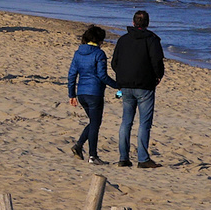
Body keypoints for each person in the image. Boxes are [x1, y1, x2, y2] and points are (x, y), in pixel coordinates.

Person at [111, 10, 166, 168]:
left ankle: (124, 157)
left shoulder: (124, 40)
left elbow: (115, 62)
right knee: (143, 123)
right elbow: (157, 61)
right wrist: (158, 76)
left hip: (127, 84)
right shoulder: (151, 39)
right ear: (147, 23)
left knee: (126, 122)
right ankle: (141, 158)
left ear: (134, 22)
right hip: (143, 85)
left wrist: (122, 76)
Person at [67, 25, 119, 164]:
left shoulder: (78, 53)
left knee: (93, 122)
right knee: (95, 124)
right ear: (99, 40)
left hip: (82, 93)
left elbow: (72, 74)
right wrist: (117, 85)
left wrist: (71, 94)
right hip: (94, 93)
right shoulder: (99, 54)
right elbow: (102, 75)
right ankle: (92, 156)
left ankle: (78, 146)